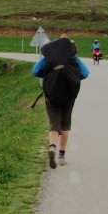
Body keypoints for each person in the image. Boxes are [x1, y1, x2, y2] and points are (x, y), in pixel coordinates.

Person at [33, 34, 90, 168]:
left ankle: (52, 146)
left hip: (52, 95)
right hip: (69, 96)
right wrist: (72, 78)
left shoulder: (49, 57)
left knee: (54, 124)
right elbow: (85, 73)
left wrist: (48, 74)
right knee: (65, 125)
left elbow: (35, 71)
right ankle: (62, 155)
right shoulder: (73, 57)